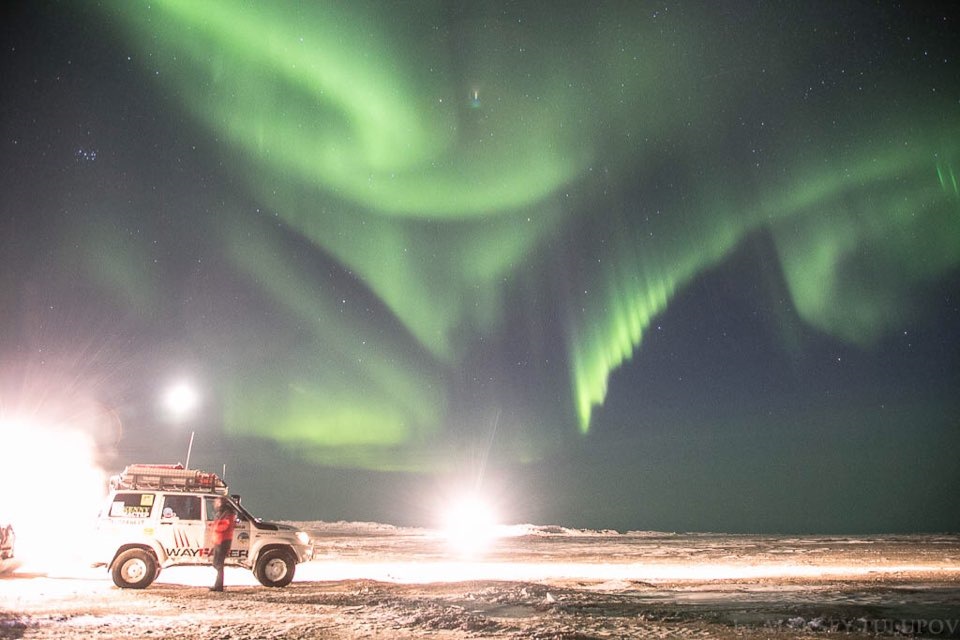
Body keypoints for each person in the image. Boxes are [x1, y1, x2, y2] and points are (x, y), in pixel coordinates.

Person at [210, 497, 236, 592]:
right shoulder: (223, 513)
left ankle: (219, 586)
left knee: (219, 565)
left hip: (223, 541)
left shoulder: (227, 513)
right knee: (217, 564)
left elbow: (225, 525)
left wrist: (215, 526)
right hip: (220, 540)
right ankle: (217, 585)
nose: (215, 504)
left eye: (217, 502)